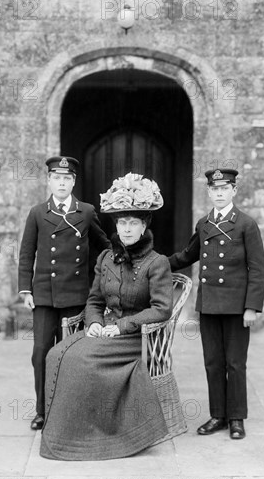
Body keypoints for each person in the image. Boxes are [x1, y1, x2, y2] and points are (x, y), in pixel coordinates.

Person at [39, 173, 173, 461]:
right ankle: (63, 432)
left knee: (80, 361)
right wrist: (96, 322)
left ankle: (89, 436)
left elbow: (162, 309)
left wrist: (122, 327)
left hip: (135, 335)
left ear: (144, 225)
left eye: (133, 223)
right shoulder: (105, 259)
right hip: (105, 330)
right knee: (55, 353)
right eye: (122, 223)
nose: (126, 229)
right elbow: (95, 300)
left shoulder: (157, 263)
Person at [169, 168, 264, 440]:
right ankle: (217, 416)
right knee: (213, 362)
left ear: (234, 191)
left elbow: (257, 269)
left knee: (235, 363)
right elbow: (187, 255)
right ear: (209, 192)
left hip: (237, 307)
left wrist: (251, 307)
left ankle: (236, 418)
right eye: (215, 189)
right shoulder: (203, 224)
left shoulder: (246, 224)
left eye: (225, 189)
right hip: (210, 305)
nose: (220, 193)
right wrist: (157, 264)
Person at [18, 156, 110, 431]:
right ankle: (43, 410)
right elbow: (26, 253)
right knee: (41, 353)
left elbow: (103, 247)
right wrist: (25, 289)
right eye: (57, 178)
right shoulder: (37, 212)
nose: (61, 182)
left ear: (73, 182)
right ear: (49, 180)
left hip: (75, 295)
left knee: (72, 354)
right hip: (44, 295)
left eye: (67, 178)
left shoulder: (85, 211)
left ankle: (70, 409)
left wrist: (104, 281)